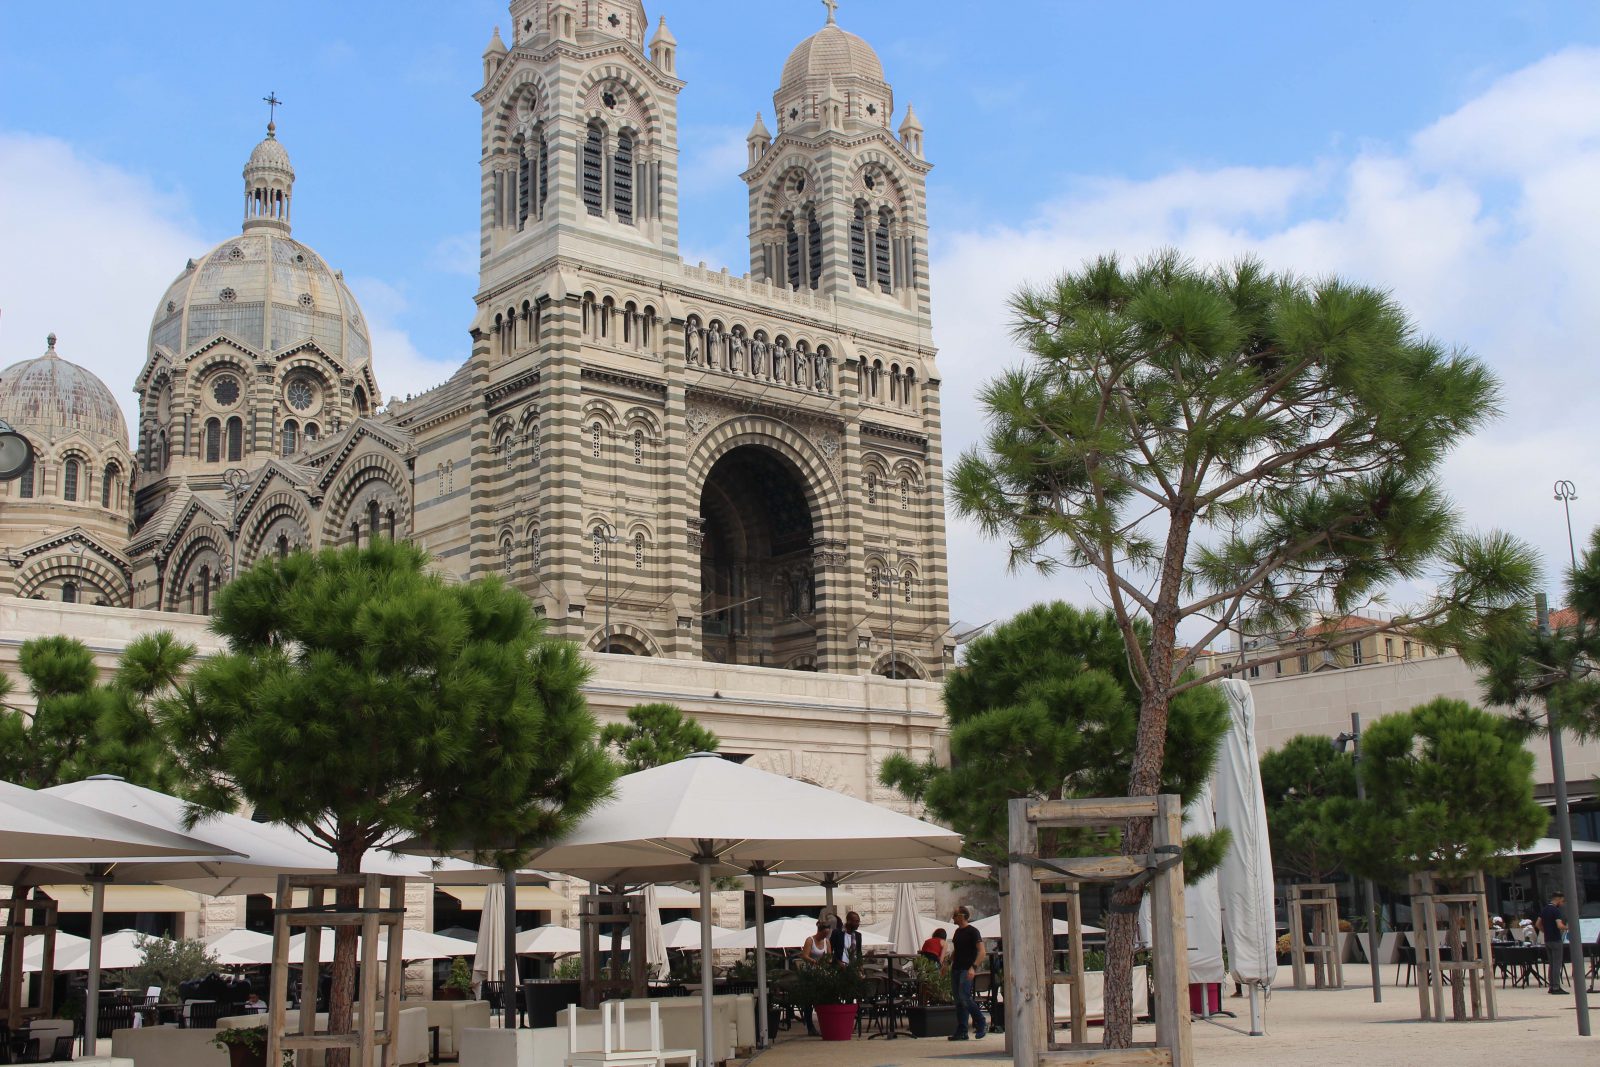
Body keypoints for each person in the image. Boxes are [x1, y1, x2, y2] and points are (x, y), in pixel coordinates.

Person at [945, 905, 986, 1041]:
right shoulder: (957, 932)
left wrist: (973, 967)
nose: (953, 917)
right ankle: (962, 1031)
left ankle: (981, 1022)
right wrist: (948, 963)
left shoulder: (973, 931)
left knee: (964, 997)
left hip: (966, 969)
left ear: (962, 916)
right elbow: (957, 950)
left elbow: (982, 951)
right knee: (958, 1000)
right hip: (956, 968)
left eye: (955, 915)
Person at [799, 917, 834, 1035]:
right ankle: (810, 1026)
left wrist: (827, 962)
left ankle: (825, 1024)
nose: (825, 936)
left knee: (823, 999)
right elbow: (804, 955)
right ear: (819, 931)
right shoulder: (810, 940)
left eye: (827, 934)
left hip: (822, 972)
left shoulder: (827, 942)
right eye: (824, 934)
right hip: (810, 972)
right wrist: (813, 961)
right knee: (809, 1000)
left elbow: (829, 956)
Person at [1540, 890, 1569, 994]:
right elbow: (1559, 925)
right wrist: (1569, 928)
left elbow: (1538, 923)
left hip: (1547, 939)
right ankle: (1556, 987)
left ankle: (1551, 986)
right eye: (1562, 900)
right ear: (1559, 899)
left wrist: (1545, 931)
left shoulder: (1544, 910)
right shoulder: (1556, 911)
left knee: (1551, 964)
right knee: (1557, 964)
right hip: (1556, 940)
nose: (1563, 903)